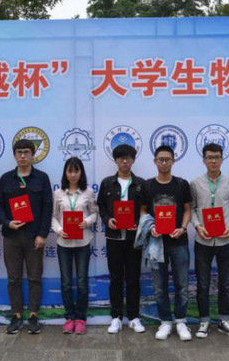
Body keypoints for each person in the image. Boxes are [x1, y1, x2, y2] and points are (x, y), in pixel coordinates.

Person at [0, 139, 53, 335]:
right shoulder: (6, 179)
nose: (22, 155)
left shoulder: (41, 178)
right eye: (19, 152)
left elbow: (47, 207)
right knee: (14, 278)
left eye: (26, 152)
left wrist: (42, 234)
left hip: (34, 236)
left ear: (32, 154)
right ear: (14, 155)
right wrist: (7, 222)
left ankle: (34, 315)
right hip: (11, 236)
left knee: (35, 277)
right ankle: (17, 315)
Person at [140, 145, 193, 341]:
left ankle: (181, 321)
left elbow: (187, 209)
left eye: (167, 159)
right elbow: (143, 211)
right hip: (156, 243)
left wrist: (183, 228)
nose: (164, 163)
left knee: (182, 285)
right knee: (159, 286)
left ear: (173, 161)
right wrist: (150, 227)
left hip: (179, 242)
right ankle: (165, 322)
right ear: (155, 161)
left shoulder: (181, 184)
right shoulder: (148, 185)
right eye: (160, 159)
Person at [189, 143, 229, 339]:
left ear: (222, 159)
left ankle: (224, 320)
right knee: (203, 284)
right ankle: (204, 321)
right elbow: (192, 209)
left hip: (225, 241)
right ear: (204, 160)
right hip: (202, 241)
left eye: (217, 157)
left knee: (226, 283)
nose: (213, 160)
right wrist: (198, 226)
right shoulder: (195, 183)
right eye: (209, 157)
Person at [97, 144, 146, 334]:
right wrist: (107, 219)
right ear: (116, 160)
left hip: (134, 238)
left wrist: (139, 223)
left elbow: (146, 209)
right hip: (114, 238)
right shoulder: (107, 183)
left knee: (133, 278)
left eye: (128, 158)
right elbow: (101, 206)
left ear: (133, 160)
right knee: (116, 278)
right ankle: (116, 317)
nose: (125, 161)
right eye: (121, 158)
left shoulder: (140, 184)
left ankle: (133, 317)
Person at [51, 157, 98, 335]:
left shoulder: (88, 192)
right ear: (65, 173)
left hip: (83, 242)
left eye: (76, 171)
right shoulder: (58, 194)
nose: (73, 174)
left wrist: (86, 222)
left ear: (81, 172)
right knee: (66, 283)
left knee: (82, 282)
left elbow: (94, 214)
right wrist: (58, 229)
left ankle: (80, 318)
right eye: (69, 171)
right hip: (63, 242)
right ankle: (69, 317)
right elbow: (53, 216)